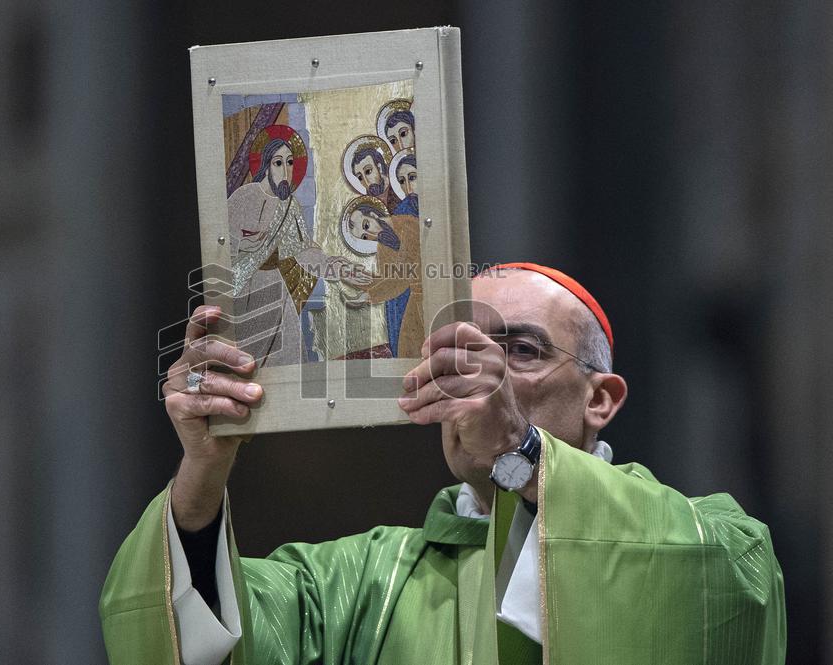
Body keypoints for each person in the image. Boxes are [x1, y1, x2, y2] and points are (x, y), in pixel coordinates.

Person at [99, 263, 786, 664]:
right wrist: (203, 471)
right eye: (459, 351)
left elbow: (712, 596)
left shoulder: (711, 542)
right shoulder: (360, 585)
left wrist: (519, 460)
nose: (478, 374)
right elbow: (191, 641)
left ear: (600, 398)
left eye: (519, 350)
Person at [228, 126, 364, 366]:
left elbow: (301, 252)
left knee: (291, 355)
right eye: (278, 163)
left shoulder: (289, 206)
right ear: (266, 165)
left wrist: (336, 268)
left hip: (275, 288)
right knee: (247, 361)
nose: (285, 171)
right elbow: (221, 247)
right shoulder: (243, 197)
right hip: (246, 289)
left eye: (290, 163)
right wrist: (245, 245)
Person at [343, 198, 424, 358]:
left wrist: (369, 295)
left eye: (366, 226)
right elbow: (388, 278)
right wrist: (360, 281)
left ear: (373, 214)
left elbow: (403, 274)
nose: (371, 235)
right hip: (416, 299)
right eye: (365, 237)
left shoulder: (407, 224)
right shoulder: (383, 247)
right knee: (406, 352)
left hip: (431, 292)